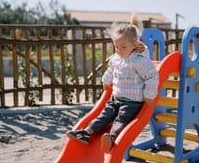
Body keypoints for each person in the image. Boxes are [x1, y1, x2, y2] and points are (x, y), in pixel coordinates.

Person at [67, 13, 159, 152]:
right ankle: (87, 132)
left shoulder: (139, 60)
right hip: (115, 98)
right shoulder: (116, 58)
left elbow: (152, 76)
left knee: (121, 119)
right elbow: (111, 70)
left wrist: (149, 95)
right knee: (104, 115)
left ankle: (112, 137)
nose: (119, 50)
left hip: (132, 102)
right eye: (116, 47)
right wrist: (106, 80)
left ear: (134, 45)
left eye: (123, 47)